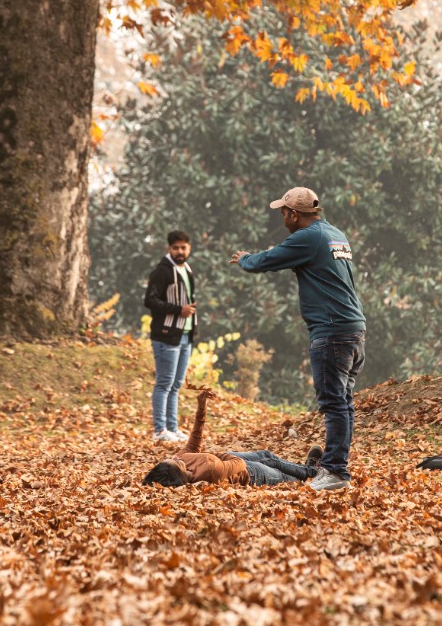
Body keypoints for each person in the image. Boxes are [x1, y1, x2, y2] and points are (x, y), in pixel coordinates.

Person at [229, 187, 364, 492]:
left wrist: (246, 259)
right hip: (353, 329)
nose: (282, 218)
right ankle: (334, 466)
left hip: (331, 331)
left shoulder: (308, 237)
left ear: (294, 214)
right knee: (343, 402)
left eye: (283, 212)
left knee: (334, 403)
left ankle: (335, 471)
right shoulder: (335, 233)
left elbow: (271, 258)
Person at [142, 389, 322, 487]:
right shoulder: (208, 472)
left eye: (172, 458)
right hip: (250, 474)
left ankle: (310, 471)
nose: (177, 457)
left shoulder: (181, 459)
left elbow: (194, 441)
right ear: (181, 474)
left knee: (268, 456)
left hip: (226, 460)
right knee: (285, 478)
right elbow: (239, 464)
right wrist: (220, 457)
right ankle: (312, 478)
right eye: (177, 462)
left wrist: (201, 407)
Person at [144, 229, 197, 442]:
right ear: (169, 249)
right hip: (166, 335)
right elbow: (150, 301)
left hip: (185, 334)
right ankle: (159, 430)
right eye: (175, 248)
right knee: (164, 383)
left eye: (183, 247)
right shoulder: (162, 271)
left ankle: (172, 428)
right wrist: (178, 310)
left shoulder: (187, 269)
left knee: (176, 384)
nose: (180, 251)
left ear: (189, 248)